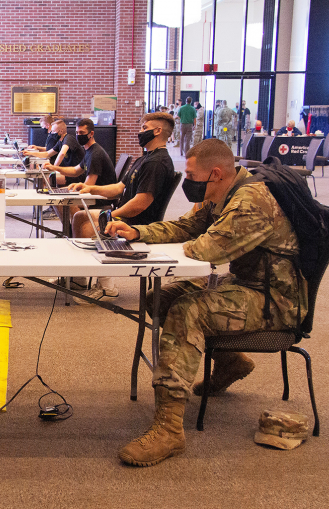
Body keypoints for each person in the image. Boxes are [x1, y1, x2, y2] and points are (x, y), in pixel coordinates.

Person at [106, 139, 306, 467]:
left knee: (189, 311)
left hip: (275, 300)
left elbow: (206, 250)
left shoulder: (250, 200)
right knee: (163, 297)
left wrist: (171, 244)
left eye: (191, 174)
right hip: (247, 284)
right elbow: (187, 227)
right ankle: (231, 362)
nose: (187, 181)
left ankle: (169, 430)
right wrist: (137, 233)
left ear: (214, 174)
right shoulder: (220, 192)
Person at [69, 112, 176, 302]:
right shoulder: (144, 158)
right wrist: (89, 187)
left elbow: (141, 204)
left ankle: (106, 287)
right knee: (79, 217)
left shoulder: (157, 163)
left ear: (158, 131)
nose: (140, 131)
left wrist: (111, 215)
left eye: (144, 128)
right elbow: (119, 188)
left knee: (86, 224)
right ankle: (80, 278)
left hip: (138, 223)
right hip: (127, 215)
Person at [25, 120, 85, 186]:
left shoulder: (68, 138)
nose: (52, 133)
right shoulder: (60, 141)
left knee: (44, 178)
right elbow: (47, 153)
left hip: (76, 174)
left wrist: (54, 168)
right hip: (67, 172)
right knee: (42, 176)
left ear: (61, 131)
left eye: (53, 131)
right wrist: (29, 153)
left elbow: (62, 153)